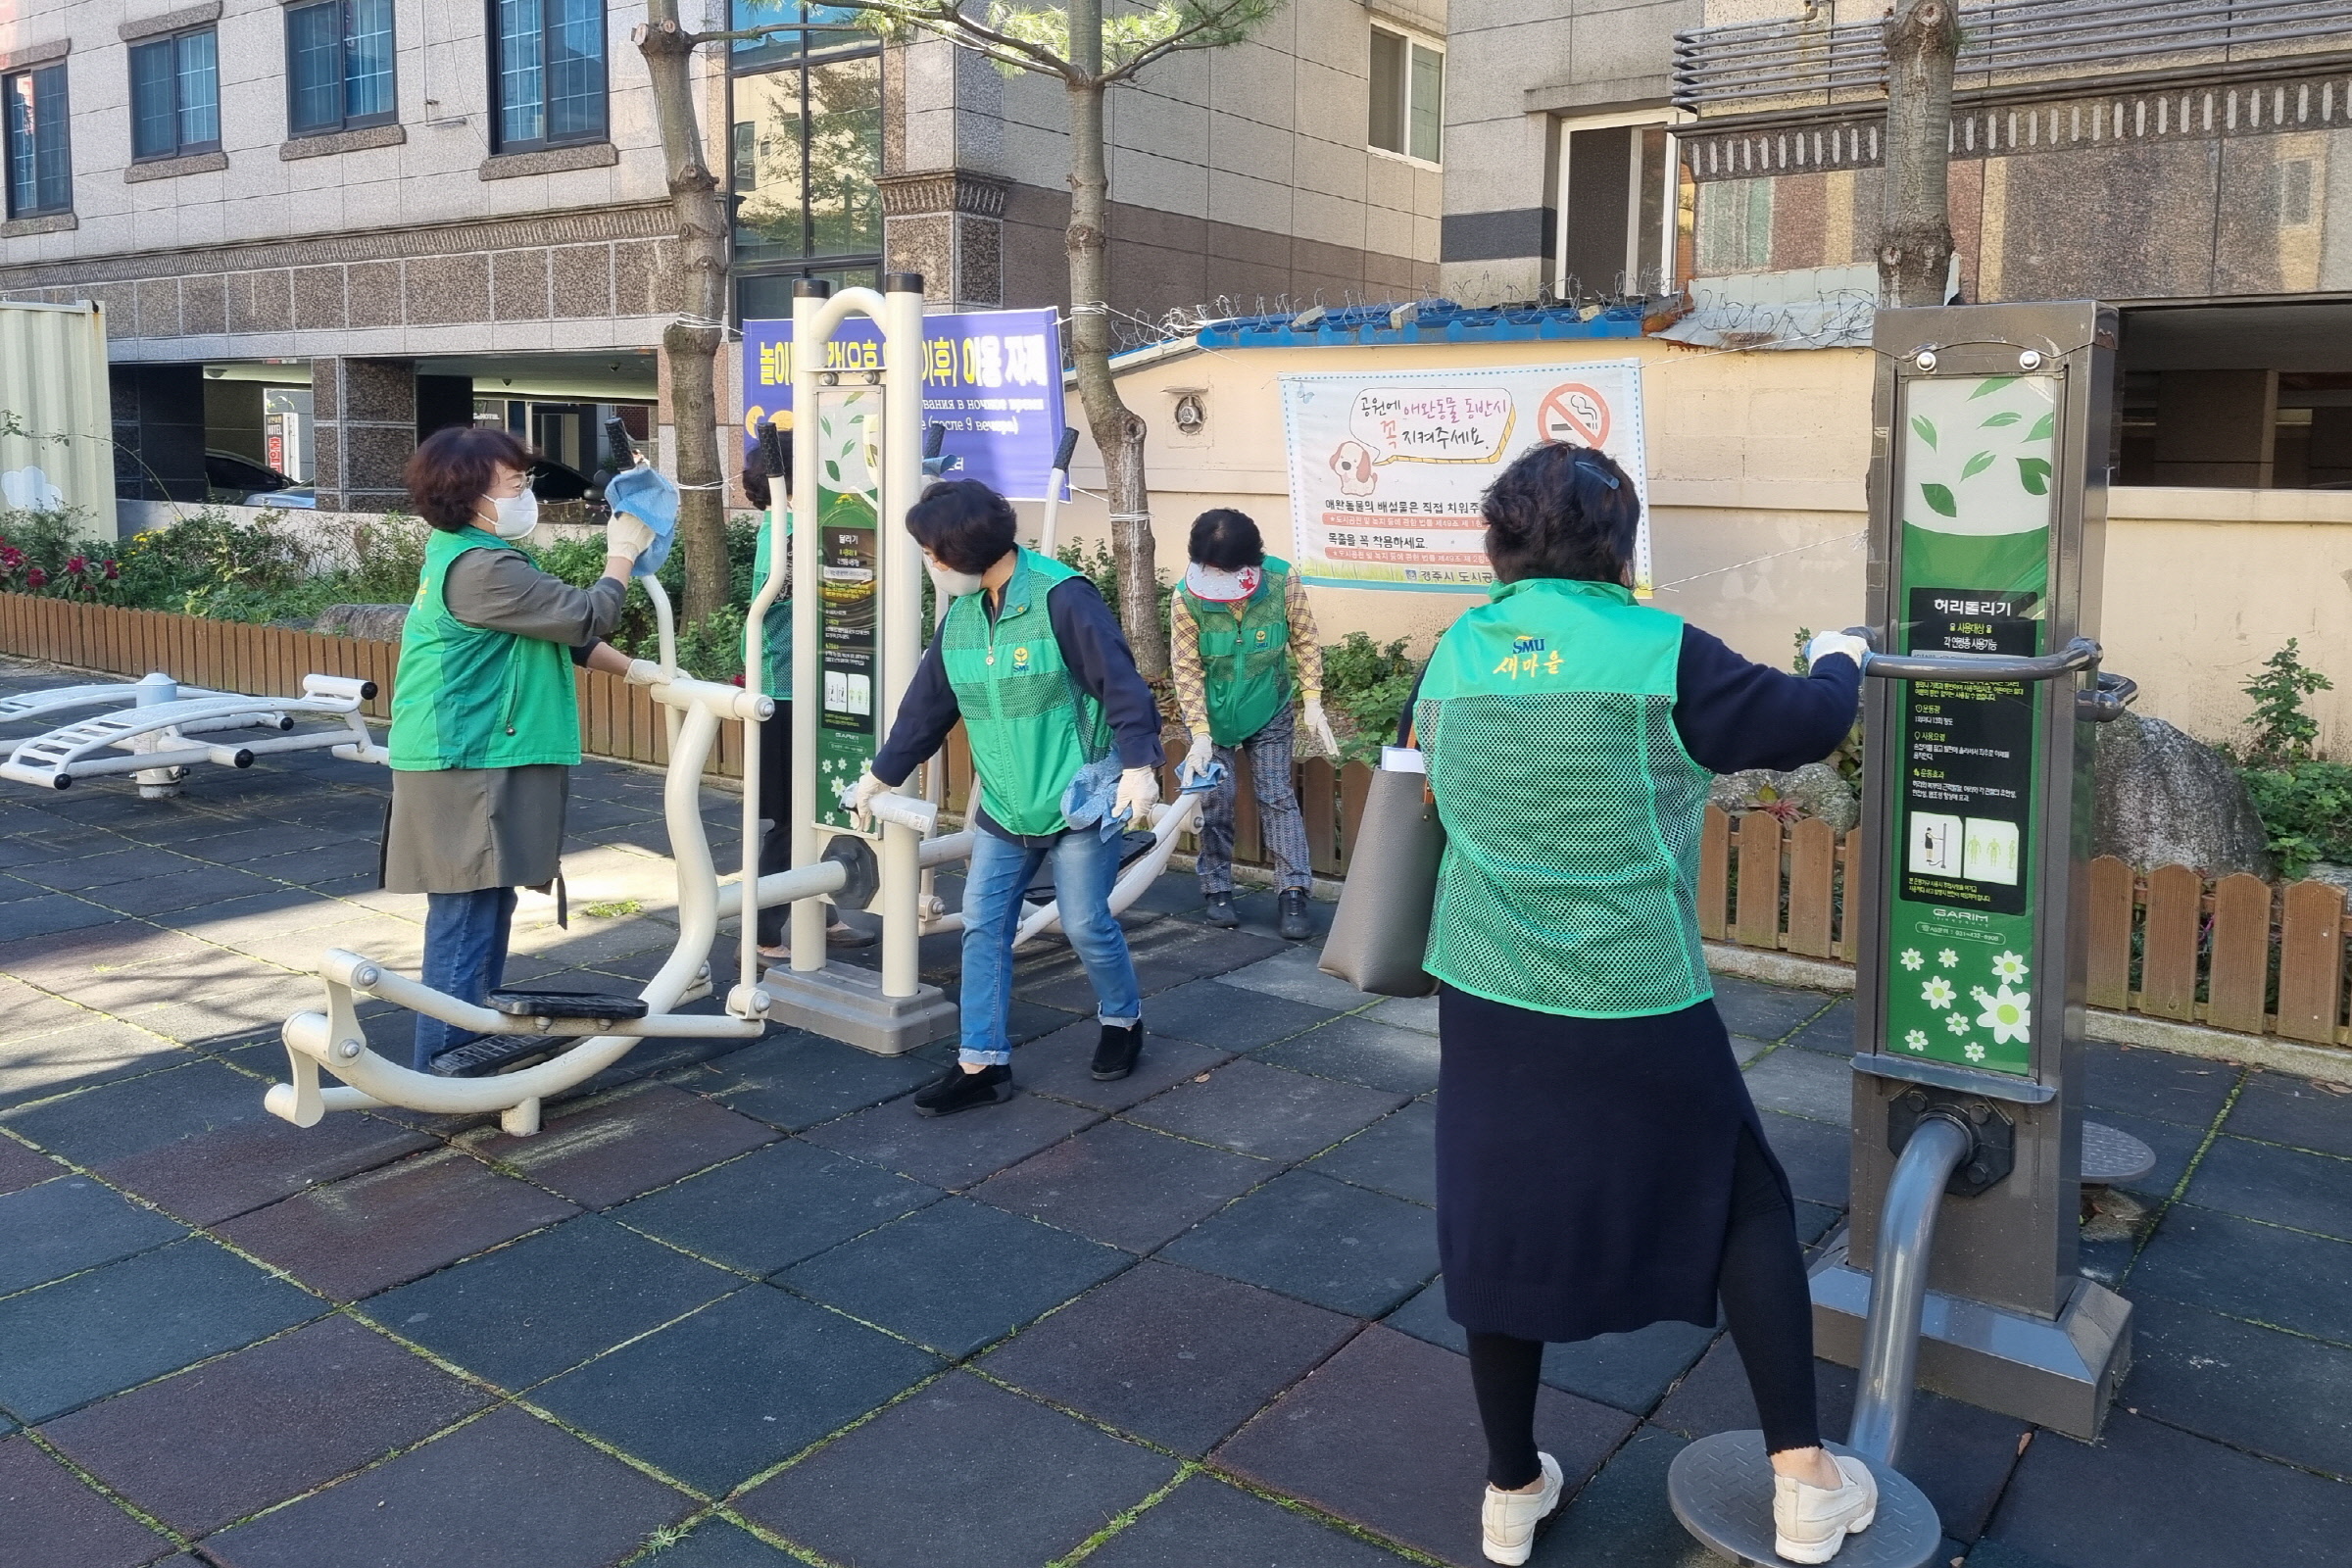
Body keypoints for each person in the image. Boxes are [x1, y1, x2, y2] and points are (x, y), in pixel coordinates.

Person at [1409, 443, 1873, 1566]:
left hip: (1487, 987)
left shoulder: (1454, 654)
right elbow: (1810, 725)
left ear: (1497, 543)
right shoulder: (1658, 650)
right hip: (1632, 989)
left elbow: (1438, 773)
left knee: (1498, 1220)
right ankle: (1805, 1479)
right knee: (1746, 1202)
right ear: (1618, 547)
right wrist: (1843, 660)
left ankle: (1511, 1488)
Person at [845, 480, 1164, 1113]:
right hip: (1005, 808)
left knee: (1084, 923)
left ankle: (1122, 1020)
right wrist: (880, 776)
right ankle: (981, 1062)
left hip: (1078, 801)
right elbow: (926, 710)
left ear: (965, 549)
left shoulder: (1062, 599)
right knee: (984, 928)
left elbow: (1123, 685)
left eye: (934, 552)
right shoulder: (961, 619)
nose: (930, 564)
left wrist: (1139, 766)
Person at [383, 425, 655, 1072]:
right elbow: (586, 615)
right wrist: (620, 557)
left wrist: (643, 674)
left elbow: (557, 633)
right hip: (465, 758)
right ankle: (443, 1064)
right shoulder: (482, 567)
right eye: (514, 484)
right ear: (471, 495)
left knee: (484, 899)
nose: (526, 494)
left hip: (467, 751)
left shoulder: (466, 551)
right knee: (465, 910)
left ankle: (465, 1041)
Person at [1169, 509, 1339, 942]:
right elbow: (1186, 667)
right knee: (1217, 799)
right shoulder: (1186, 597)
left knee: (1277, 795)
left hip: (1270, 703)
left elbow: (1304, 636)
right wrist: (1200, 733)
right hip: (1213, 712)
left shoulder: (1281, 581)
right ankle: (1217, 888)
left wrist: (1313, 699)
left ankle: (1294, 890)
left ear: (1253, 559)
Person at [739, 436, 871, 958]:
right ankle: (763, 932)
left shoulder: (792, 528)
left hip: (818, 687)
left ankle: (822, 911)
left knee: (821, 805)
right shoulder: (791, 533)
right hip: (787, 692)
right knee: (792, 817)